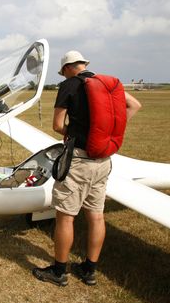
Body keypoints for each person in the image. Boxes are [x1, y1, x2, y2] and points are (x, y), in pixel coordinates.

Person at [32, 50, 142, 287]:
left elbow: (57, 125)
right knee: (96, 215)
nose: (63, 76)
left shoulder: (69, 85)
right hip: (104, 161)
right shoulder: (105, 82)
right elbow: (134, 105)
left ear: (69, 68)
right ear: (83, 64)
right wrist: (108, 133)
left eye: (63, 72)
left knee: (65, 216)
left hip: (80, 161)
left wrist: (73, 134)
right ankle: (89, 269)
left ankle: (59, 271)